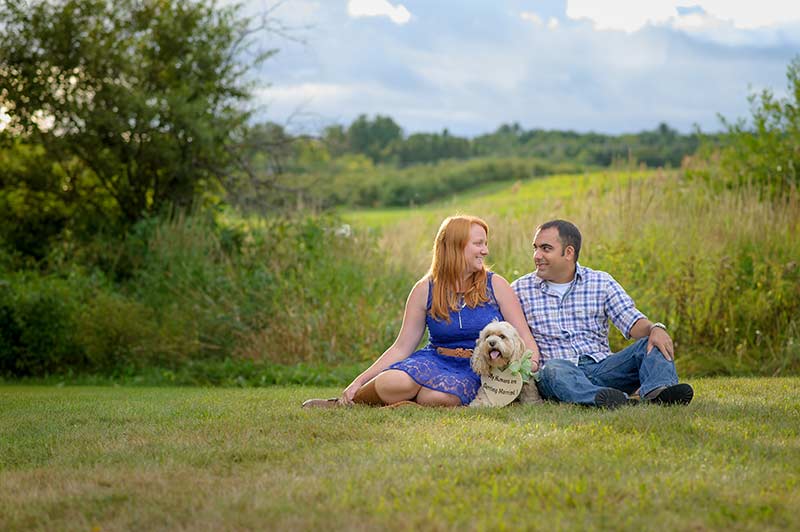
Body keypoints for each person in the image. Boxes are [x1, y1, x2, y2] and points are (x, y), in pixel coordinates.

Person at [302, 215, 541, 408]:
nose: (485, 250)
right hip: (433, 358)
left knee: (438, 398)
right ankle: (344, 403)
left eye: (485, 244)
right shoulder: (424, 288)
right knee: (391, 382)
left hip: (475, 366)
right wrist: (360, 380)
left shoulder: (496, 284)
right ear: (456, 247)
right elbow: (401, 347)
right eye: (478, 244)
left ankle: (408, 403)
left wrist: (525, 368)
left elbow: (524, 338)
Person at [511, 219, 693, 409]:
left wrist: (656, 328)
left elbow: (631, 320)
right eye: (535, 248)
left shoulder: (600, 282)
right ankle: (606, 398)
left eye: (545, 249)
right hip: (560, 374)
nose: (537, 255)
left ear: (569, 252)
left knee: (651, 342)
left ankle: (659, 392)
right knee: (552, 369)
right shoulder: (519, 290)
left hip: (603, 368)